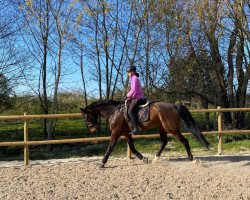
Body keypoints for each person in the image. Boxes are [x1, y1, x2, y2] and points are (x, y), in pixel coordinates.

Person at [126, 66, 146, 134]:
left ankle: (136, 128)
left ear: (132, 72)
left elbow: (134, 90)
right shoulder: (132, 78)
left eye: (128, 72)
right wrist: (129, 97)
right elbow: (133, 90)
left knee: (130, 111)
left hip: (138, 98)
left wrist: (127, 96)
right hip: (136, 97)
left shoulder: (134, 78)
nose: (128, 73)